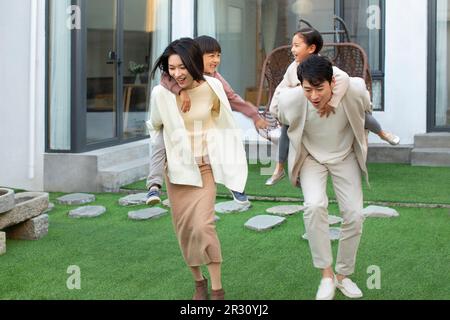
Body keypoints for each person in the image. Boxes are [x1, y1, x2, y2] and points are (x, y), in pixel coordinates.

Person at [147, 38, 248, 300]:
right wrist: (156, 176)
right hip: (177, 173)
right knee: (186, 232)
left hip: (205, 169)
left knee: (204, 227)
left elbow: (222, 118)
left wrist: (227, 155)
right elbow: (155, 129)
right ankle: (198, 282)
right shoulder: (161, 94)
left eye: (182, 67)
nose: (177, 73)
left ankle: (217, 290)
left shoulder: (212, 86)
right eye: (171, 68)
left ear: (193, 63)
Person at [277, 55, 370, 300]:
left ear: (332, 82)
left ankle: (343, 276)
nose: (314, 96)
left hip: (345, 155)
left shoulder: (354, 90)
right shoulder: (292, 99)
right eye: (308, 89)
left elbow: (366, 110)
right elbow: (282, 124)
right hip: (311, 159)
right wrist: (281, 164)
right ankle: (327, 276)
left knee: (355, 214)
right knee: (314, 205)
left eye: (319, 89)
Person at [266, 27, 400, 186]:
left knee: (359, 114)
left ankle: (382, 133)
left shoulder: (322, 65)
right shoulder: (293, 67)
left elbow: (343, 78)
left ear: (311, 48)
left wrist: (332, 102)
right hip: (305, 111)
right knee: (286, 131)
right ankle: (280, 168)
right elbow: (282, 89)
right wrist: (278, 113)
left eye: (297, 45)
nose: (292, 49)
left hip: (333, 107)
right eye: (292, 45)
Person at [146, 35, 267, 206]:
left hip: (200, 125)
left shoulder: (214, 80)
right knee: (159, 142)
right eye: (211, 55)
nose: (216, 60)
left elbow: (232, 98)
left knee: (224, 142)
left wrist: (254, 115)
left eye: (218, 55)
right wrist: (181, 92)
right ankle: (154, 185)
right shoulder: (176, 73)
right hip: (176, 125)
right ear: (195, 57)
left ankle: (235, 185)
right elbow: (165, 77)